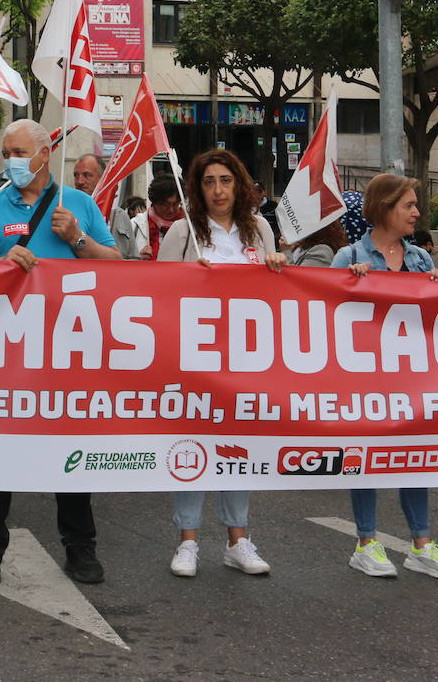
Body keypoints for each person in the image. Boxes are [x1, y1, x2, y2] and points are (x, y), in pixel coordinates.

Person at [0, 120, 121, 587]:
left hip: (66, 354)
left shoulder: (80, 204)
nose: (11, 160)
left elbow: (117, 269)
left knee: (68, 452)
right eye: (6, 152)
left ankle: (80, 548)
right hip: (4, 353)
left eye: (19, 151)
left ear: (46, 154)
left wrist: (78, 241)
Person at [156, 149, 282, 578]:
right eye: (209, 181)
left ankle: (238, 540)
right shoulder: (182, 232)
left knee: (237, 448)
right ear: (197, 188)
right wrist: (188, 276)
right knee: (191, 446)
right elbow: (153, 293)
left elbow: (283, 292)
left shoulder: (260, 229)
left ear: (239, 184)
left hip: (248, 358)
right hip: (195, 357)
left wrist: (278, 266)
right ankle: (187, 541)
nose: (218, 190)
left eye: (225, 180)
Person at [331, 173, 438, 580]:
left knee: (414, 459)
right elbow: (320, 312)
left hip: (410, 380)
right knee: (365, 459)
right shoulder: (348, 256)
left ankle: (422, 544)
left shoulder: (420, 258)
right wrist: (349, 286)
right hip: (365, 379)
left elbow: (435, 317)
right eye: (409, 205)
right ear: (384, 208)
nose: (417, 212)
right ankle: (366, 542)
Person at [73, 154, 139, 259]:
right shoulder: (69, 213)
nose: (79, 181)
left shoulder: (119, 215)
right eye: (76, 175)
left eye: (87, 175)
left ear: (102, 179)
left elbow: (134, 258)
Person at [137, 174, 184, 261]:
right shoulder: (136, 225)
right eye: (165, 204)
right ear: (154, 202)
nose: (171, 210)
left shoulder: (190, 227)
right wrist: (137, 258)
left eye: (175, 204)